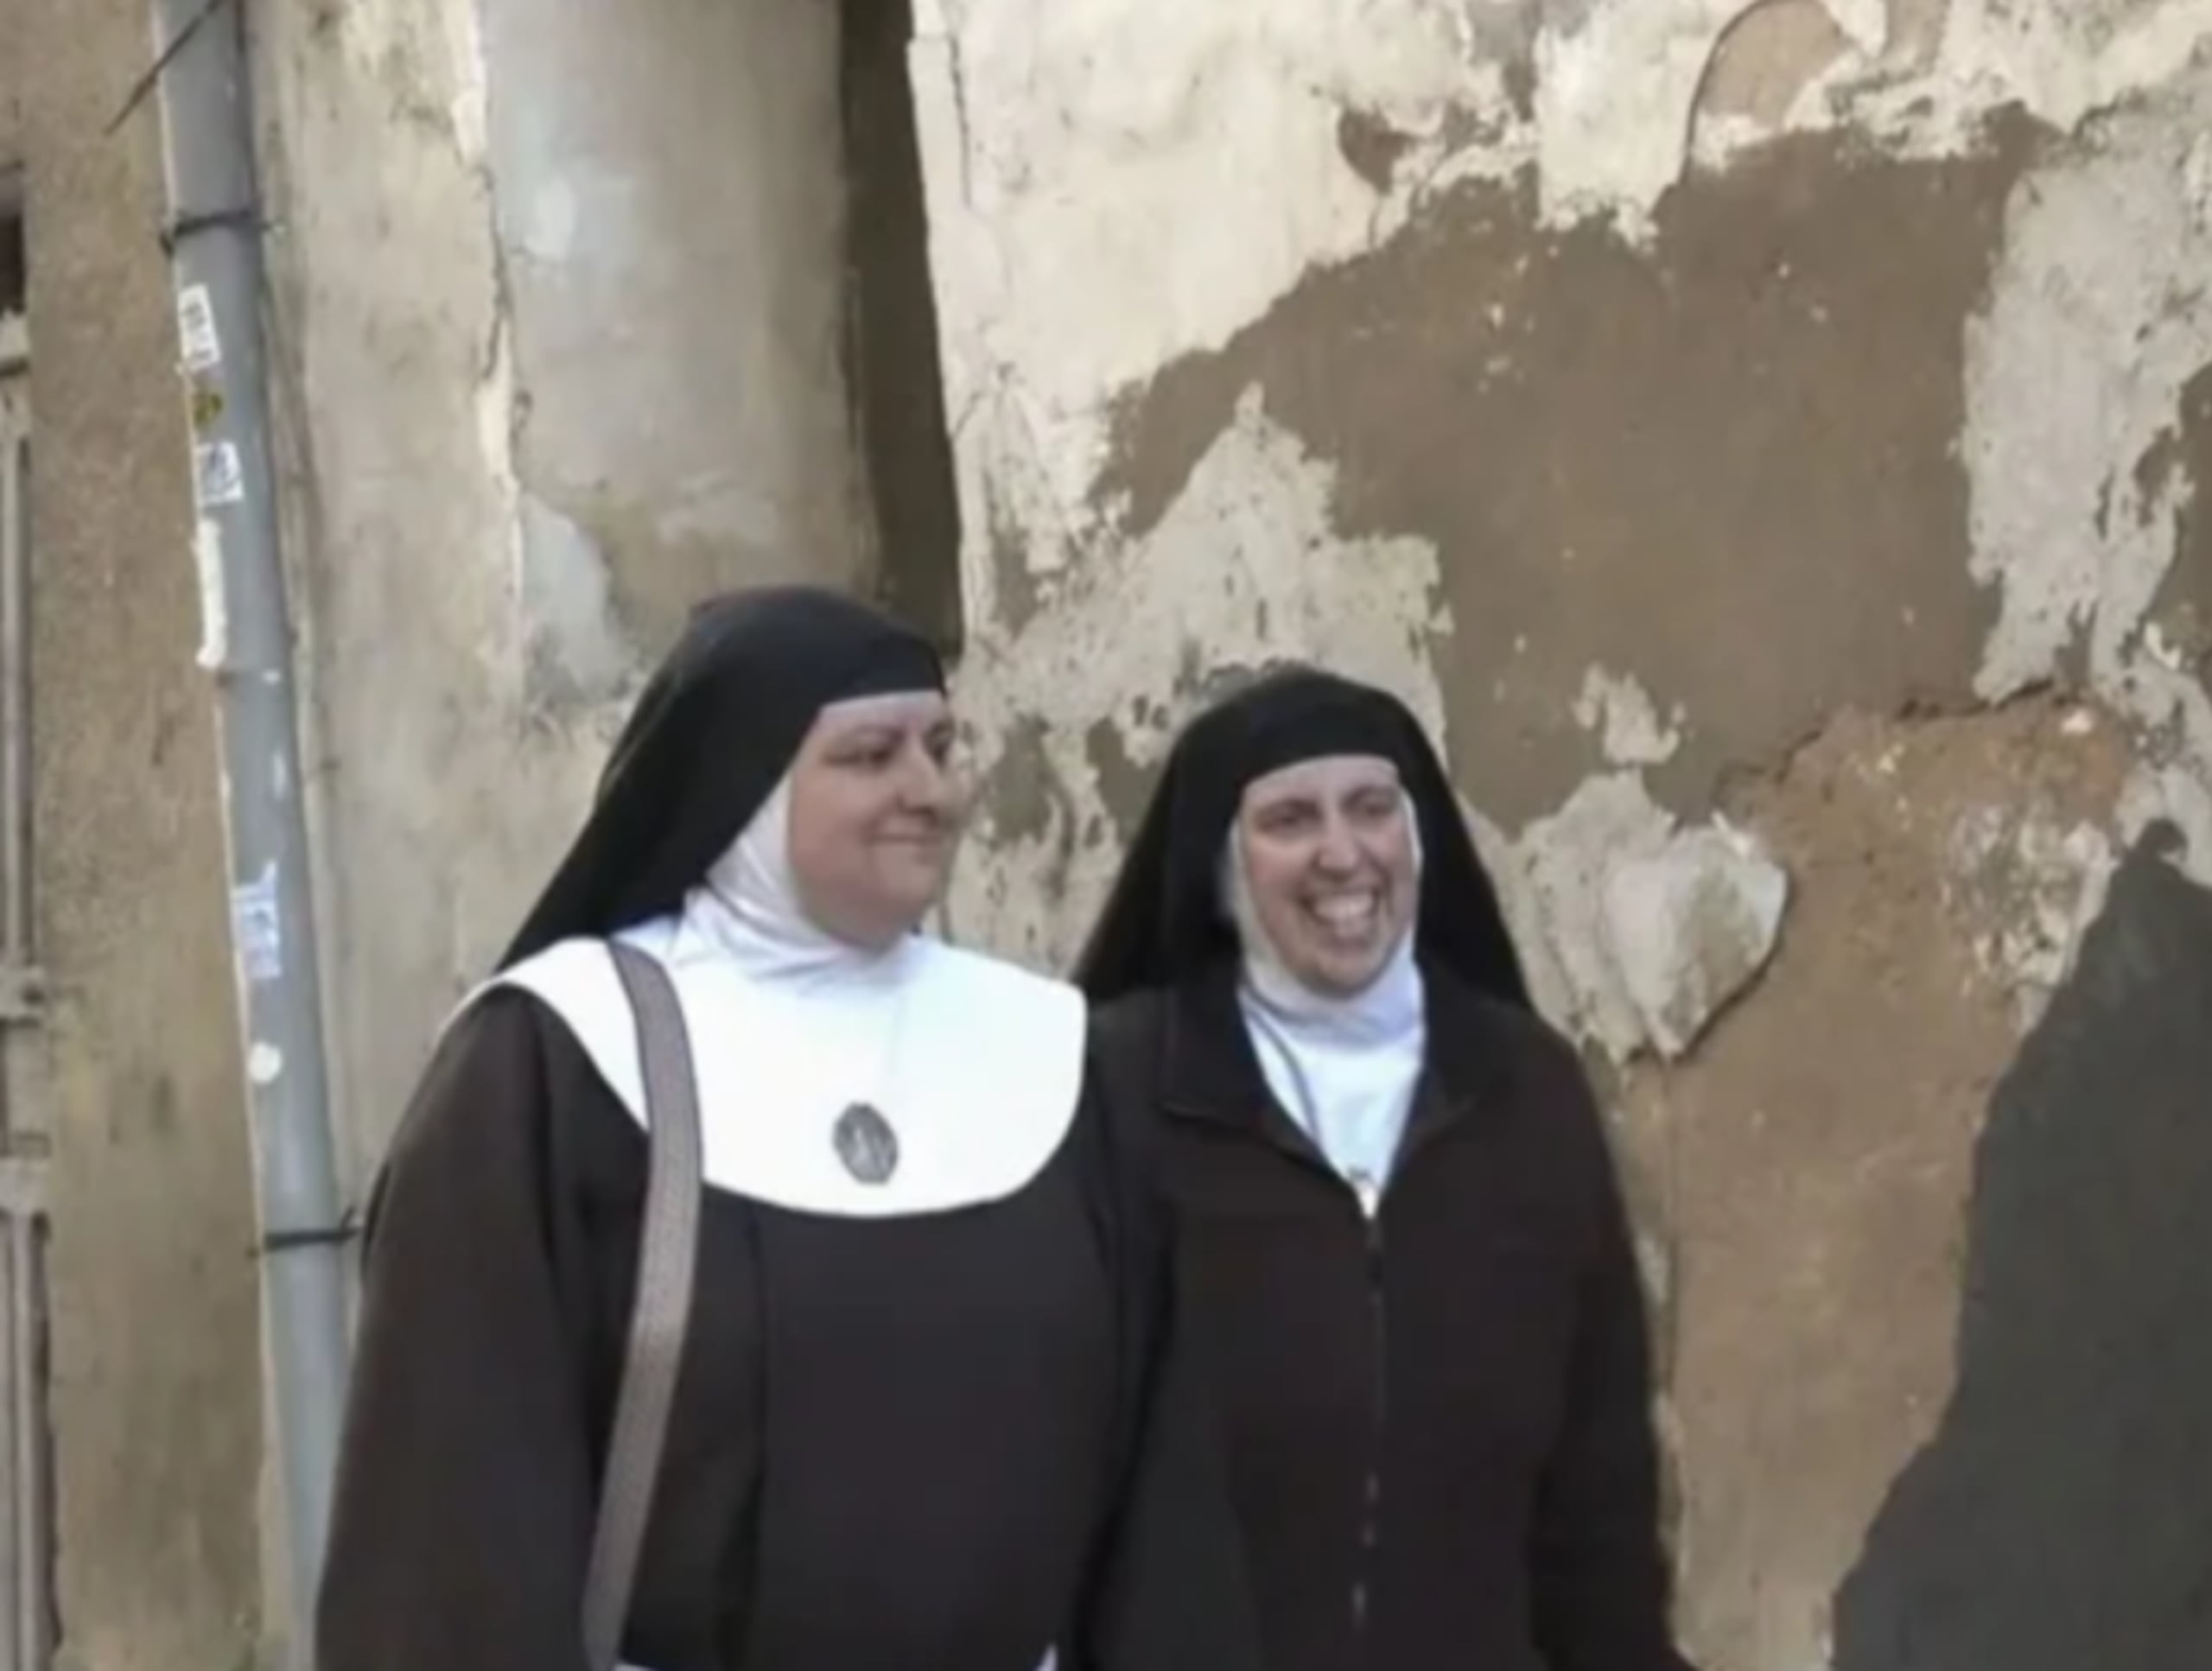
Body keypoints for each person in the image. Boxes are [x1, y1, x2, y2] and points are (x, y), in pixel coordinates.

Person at [316, 586, 1255, 1671]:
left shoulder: (1056, 1056)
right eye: (870, 754)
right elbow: (453, 1520)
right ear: (743, 790)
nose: (930, 790)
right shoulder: (560, 1059)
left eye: (941, 745)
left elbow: (1161, 1504)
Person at [1075, 664, 1697, 1671]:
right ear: (1221, 866)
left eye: (1372, 808)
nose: (1341, 853)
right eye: (1288, 818)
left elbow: (1598, 1474)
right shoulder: (1116, 1090)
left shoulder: (1523, 1086)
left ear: (1417, 837)